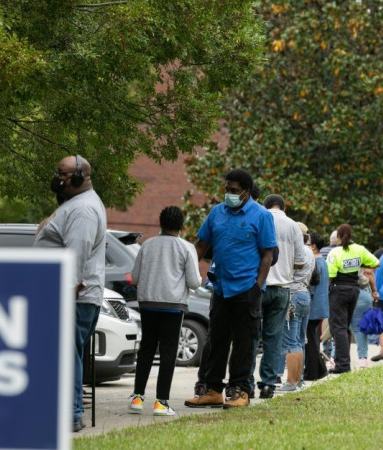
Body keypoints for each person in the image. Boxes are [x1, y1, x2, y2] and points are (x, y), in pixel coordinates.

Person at [184, 169, 276, 409]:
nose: (229, 194)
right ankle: (212, 389)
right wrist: (189, 274)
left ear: (246, 192)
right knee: (216, 340)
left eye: (234, 191)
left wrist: (258, 286)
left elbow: (267, 255)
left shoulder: (261, 216)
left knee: (244, 344)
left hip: (247, 288)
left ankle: (239, 391)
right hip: (221, 288)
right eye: (227, 190)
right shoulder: (217, 213)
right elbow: (201, 246)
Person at [34, 154, 107, 433]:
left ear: (79, 178)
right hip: (68, 296)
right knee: (63, 353)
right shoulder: (76, 204)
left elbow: (76, 257)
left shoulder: (83, 210)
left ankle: (71, 414)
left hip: (73, 298)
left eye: (62, 174)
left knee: (66, 353)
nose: (57, 178)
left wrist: (64, 293)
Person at [128, 206, 202, 416]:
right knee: (169, 351)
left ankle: (137, 398)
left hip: (148, 303)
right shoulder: (186, 248)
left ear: (160, 223)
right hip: (173, 306)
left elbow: (135, 277)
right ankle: (161, 402)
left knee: (147, 349)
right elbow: (194, 282)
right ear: (181, 225)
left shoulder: (147, 245)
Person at [248, 194, 306, 399]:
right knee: (273, 338)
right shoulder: (292, 226)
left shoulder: (259, 218)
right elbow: (301, 260)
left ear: (264, 205)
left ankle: (246, 383)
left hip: (257, 285)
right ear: (284, 208)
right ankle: (268, 384)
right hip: (282, 288)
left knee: (251, 335)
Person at [326, 224, 380, 373]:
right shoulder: (360, 250)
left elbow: (330, 275)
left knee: (338, 327)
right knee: (346, 326)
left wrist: (325, 293)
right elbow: (376, 262)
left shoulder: (335, 252)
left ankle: (342, 365)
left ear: (338, 237)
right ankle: (345, 362)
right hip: (354, 290)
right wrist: (360, 263)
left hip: (339, 290)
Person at [278, 224, 315, 391]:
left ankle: (291, 382)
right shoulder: (310, 252)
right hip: (305, 294)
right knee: (299, 341)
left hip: (293, 295)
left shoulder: (296, 251)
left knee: (290, 341)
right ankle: (298, 381)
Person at [305, 232, 329, 381]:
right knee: (313, 339)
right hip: (321, 306)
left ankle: (312, 372)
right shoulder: (323, 261)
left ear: (313, 246)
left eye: (307, 243)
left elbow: (312, 287)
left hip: (314, 306)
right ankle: (319, 369)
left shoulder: (314, 262)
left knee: (310, 341)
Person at [349, 268, 376, 368]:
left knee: (340, 327)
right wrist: (374, 291)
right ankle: (362, 359)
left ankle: (336, 357)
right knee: (359, 329)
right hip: (362, 293)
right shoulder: (362, 255)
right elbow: (370, 274)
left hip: (340, 292)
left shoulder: (335, 253)